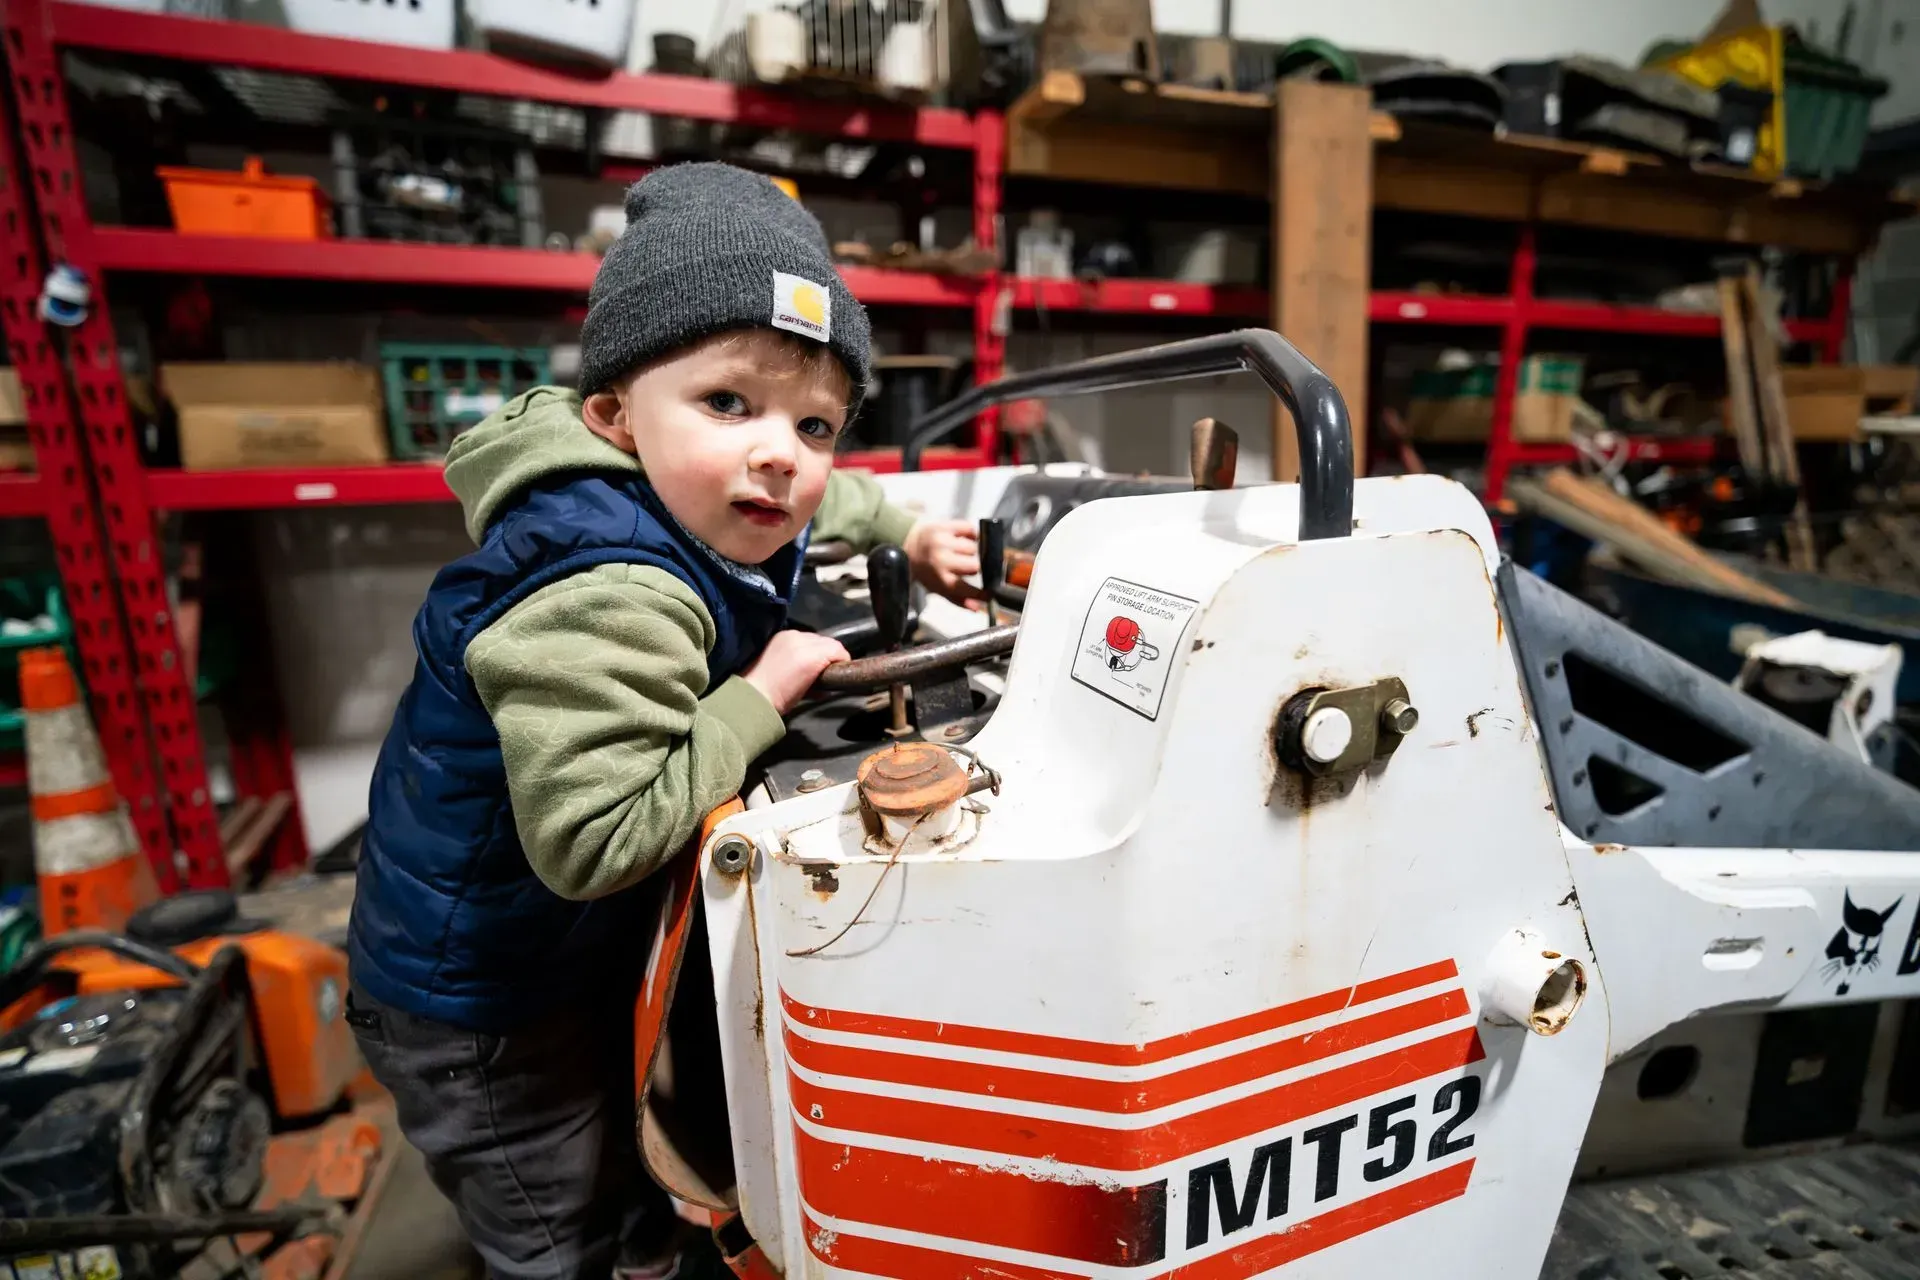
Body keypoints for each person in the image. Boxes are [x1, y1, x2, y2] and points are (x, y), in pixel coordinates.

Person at [342, 162, 982, 1279]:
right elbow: (596, 840)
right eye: (728, 401)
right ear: (613, 413)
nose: (779, 450)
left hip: (537, 963)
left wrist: (914, 530)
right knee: (553, 1228)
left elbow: (817, 491)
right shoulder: (613, 588)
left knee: (624, 1164)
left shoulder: (685, 482)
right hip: (482, 1015)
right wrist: (758, 695)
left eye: (817, 420)